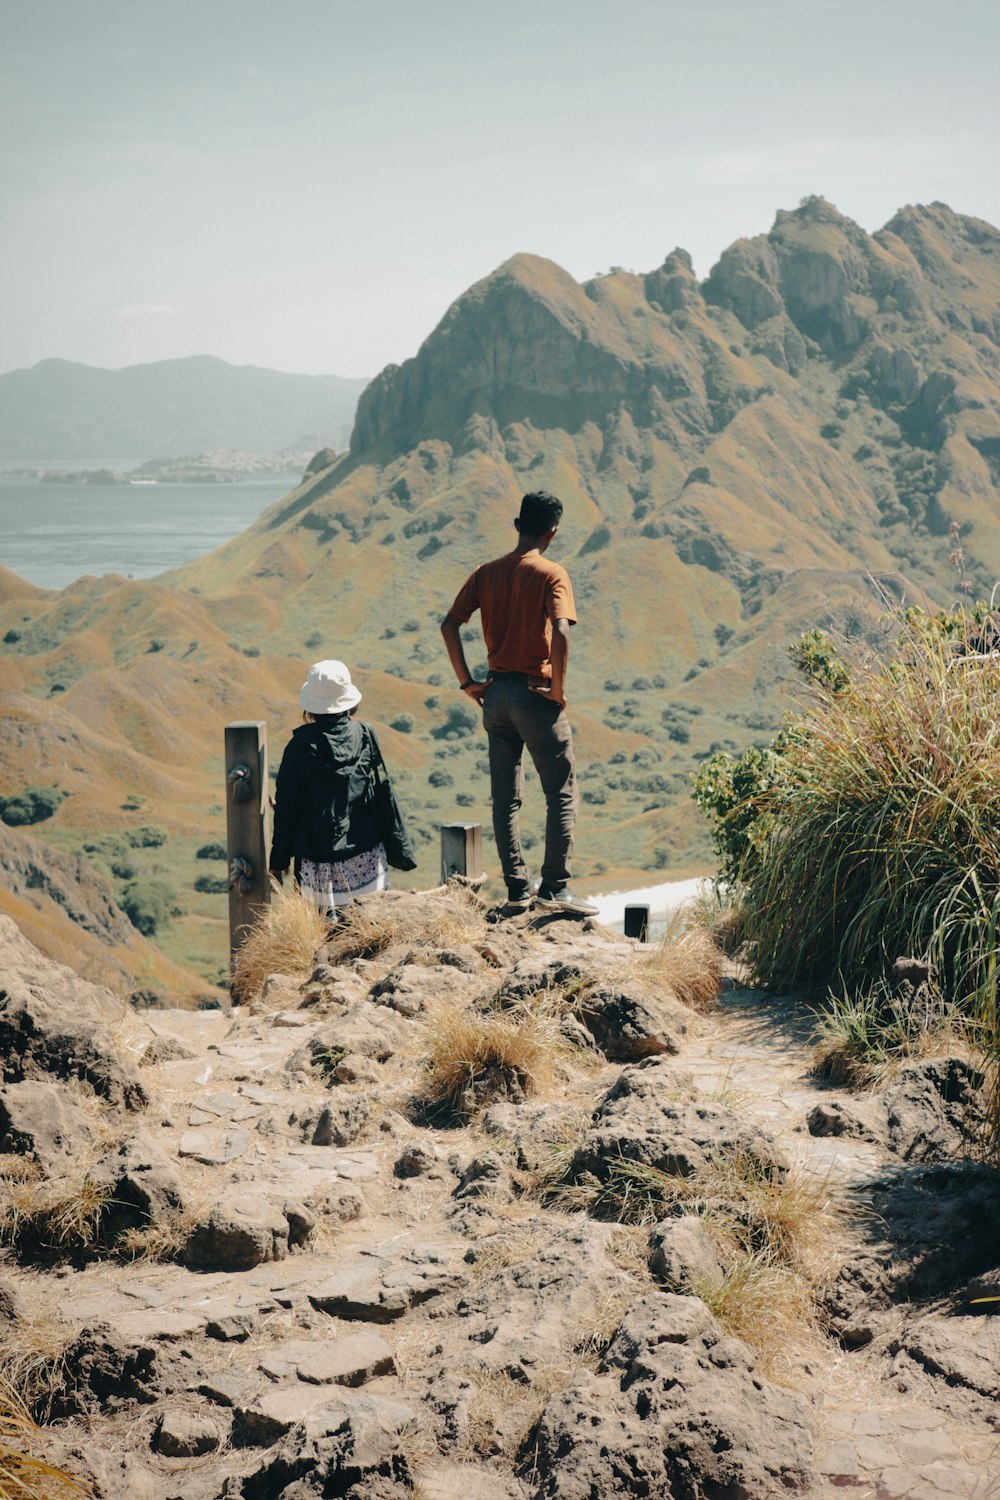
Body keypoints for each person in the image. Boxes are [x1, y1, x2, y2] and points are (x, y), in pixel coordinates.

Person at [441, 490, 596, 916]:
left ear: (516, 525)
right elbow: (561, 632)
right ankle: (555, 888)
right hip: (534, 694)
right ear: (552, 532)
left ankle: (516, 891)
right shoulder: (551, 573)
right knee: (561, 791)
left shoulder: (486, 573)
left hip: (494, 694)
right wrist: (558, 691)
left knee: (505, 798)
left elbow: (449, 624)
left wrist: (467, 683)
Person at [268, 659, 399, 916]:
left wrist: (278, 861)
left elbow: (287, 809)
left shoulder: (300, 747)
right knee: (370, 934)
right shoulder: (366, 733)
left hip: (319, 865)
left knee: (323, 941)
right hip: (369, 859)